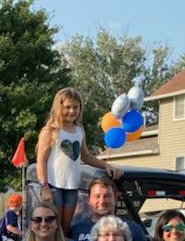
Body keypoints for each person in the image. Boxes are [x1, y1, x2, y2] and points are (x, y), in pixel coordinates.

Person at [35, 87, 122, 232]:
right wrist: (44, 186)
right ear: (59, 107)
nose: (72, 111)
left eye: (76, 107)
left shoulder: (79, 130)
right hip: (53, 185)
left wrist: (106, 166)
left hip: (72, 186)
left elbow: (85, 156)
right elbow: (41, 161)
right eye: (67, 107)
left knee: (66, 227)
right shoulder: (51, 130)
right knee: (54, 225)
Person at [69, 176, 149, 241]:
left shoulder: (133, 229)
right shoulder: (76, 230)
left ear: (115, 199)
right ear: (89, 200)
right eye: (97, 196)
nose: (102, 201)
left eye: (107, 196)